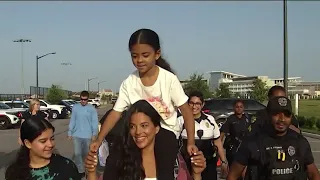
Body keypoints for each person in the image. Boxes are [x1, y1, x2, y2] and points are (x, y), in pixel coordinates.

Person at [90, 28, 198, 179]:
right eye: (135, 56)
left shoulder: (168, 80)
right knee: (115, 156)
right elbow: (115, 113)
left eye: (145, 55)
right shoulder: (129, 83)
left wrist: (190, 142)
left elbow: (186, 112)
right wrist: (99, 139)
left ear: (157, 54)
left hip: (164, 133)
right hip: (137, 133)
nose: (139, 60)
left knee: (163, 168)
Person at [85, 100, 205, 180]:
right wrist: (91, 172)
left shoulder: (171, 161)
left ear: (156, 128)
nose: (137, 132)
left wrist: (196, 173)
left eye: (144, 126)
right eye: (132, 126)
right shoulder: (120, 159)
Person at [227, 96, 320, 180]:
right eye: (276, 114)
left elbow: (313, 173)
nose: (282, 119)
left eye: (286, 114)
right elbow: (233, 175)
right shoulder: (253, 141)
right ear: (268, 115)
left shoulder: (300, 141)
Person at [5, 117, 81, 180]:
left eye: (52, 139)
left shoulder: (67, 166)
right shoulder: (14, 172)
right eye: (43, 141)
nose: (50, 144)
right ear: (28, 143)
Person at [179, 91, 228, 180]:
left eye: (198, 103)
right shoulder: (180, 121)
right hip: (187, 165)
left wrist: (223, 161)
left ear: (203, 104)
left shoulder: (210, 120)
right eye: (191, 103)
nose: (194, 106)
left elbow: (217, 142)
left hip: (209, 164)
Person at [68, 90, 99, 178]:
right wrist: (70, 132)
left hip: (88, 136)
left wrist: (94, 134)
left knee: (86, 154)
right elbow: (72, 120)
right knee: (77, 154)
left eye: (85, 100)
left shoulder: (91, 109)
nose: (83, 101)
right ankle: (81, 171)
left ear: (88, 99)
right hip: (76, 135)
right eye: (81, 99)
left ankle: (88, 170)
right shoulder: (75, 108)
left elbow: (94, 122)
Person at [220, 100, 251, 169]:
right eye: (237, 107)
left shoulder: (247, 118)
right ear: (234, 108)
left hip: (245, 148)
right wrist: (219, 148)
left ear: (243, 108)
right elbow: (222, 133)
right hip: (233, 149)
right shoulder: (230, 119)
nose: (239, 108)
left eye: (241, 107)